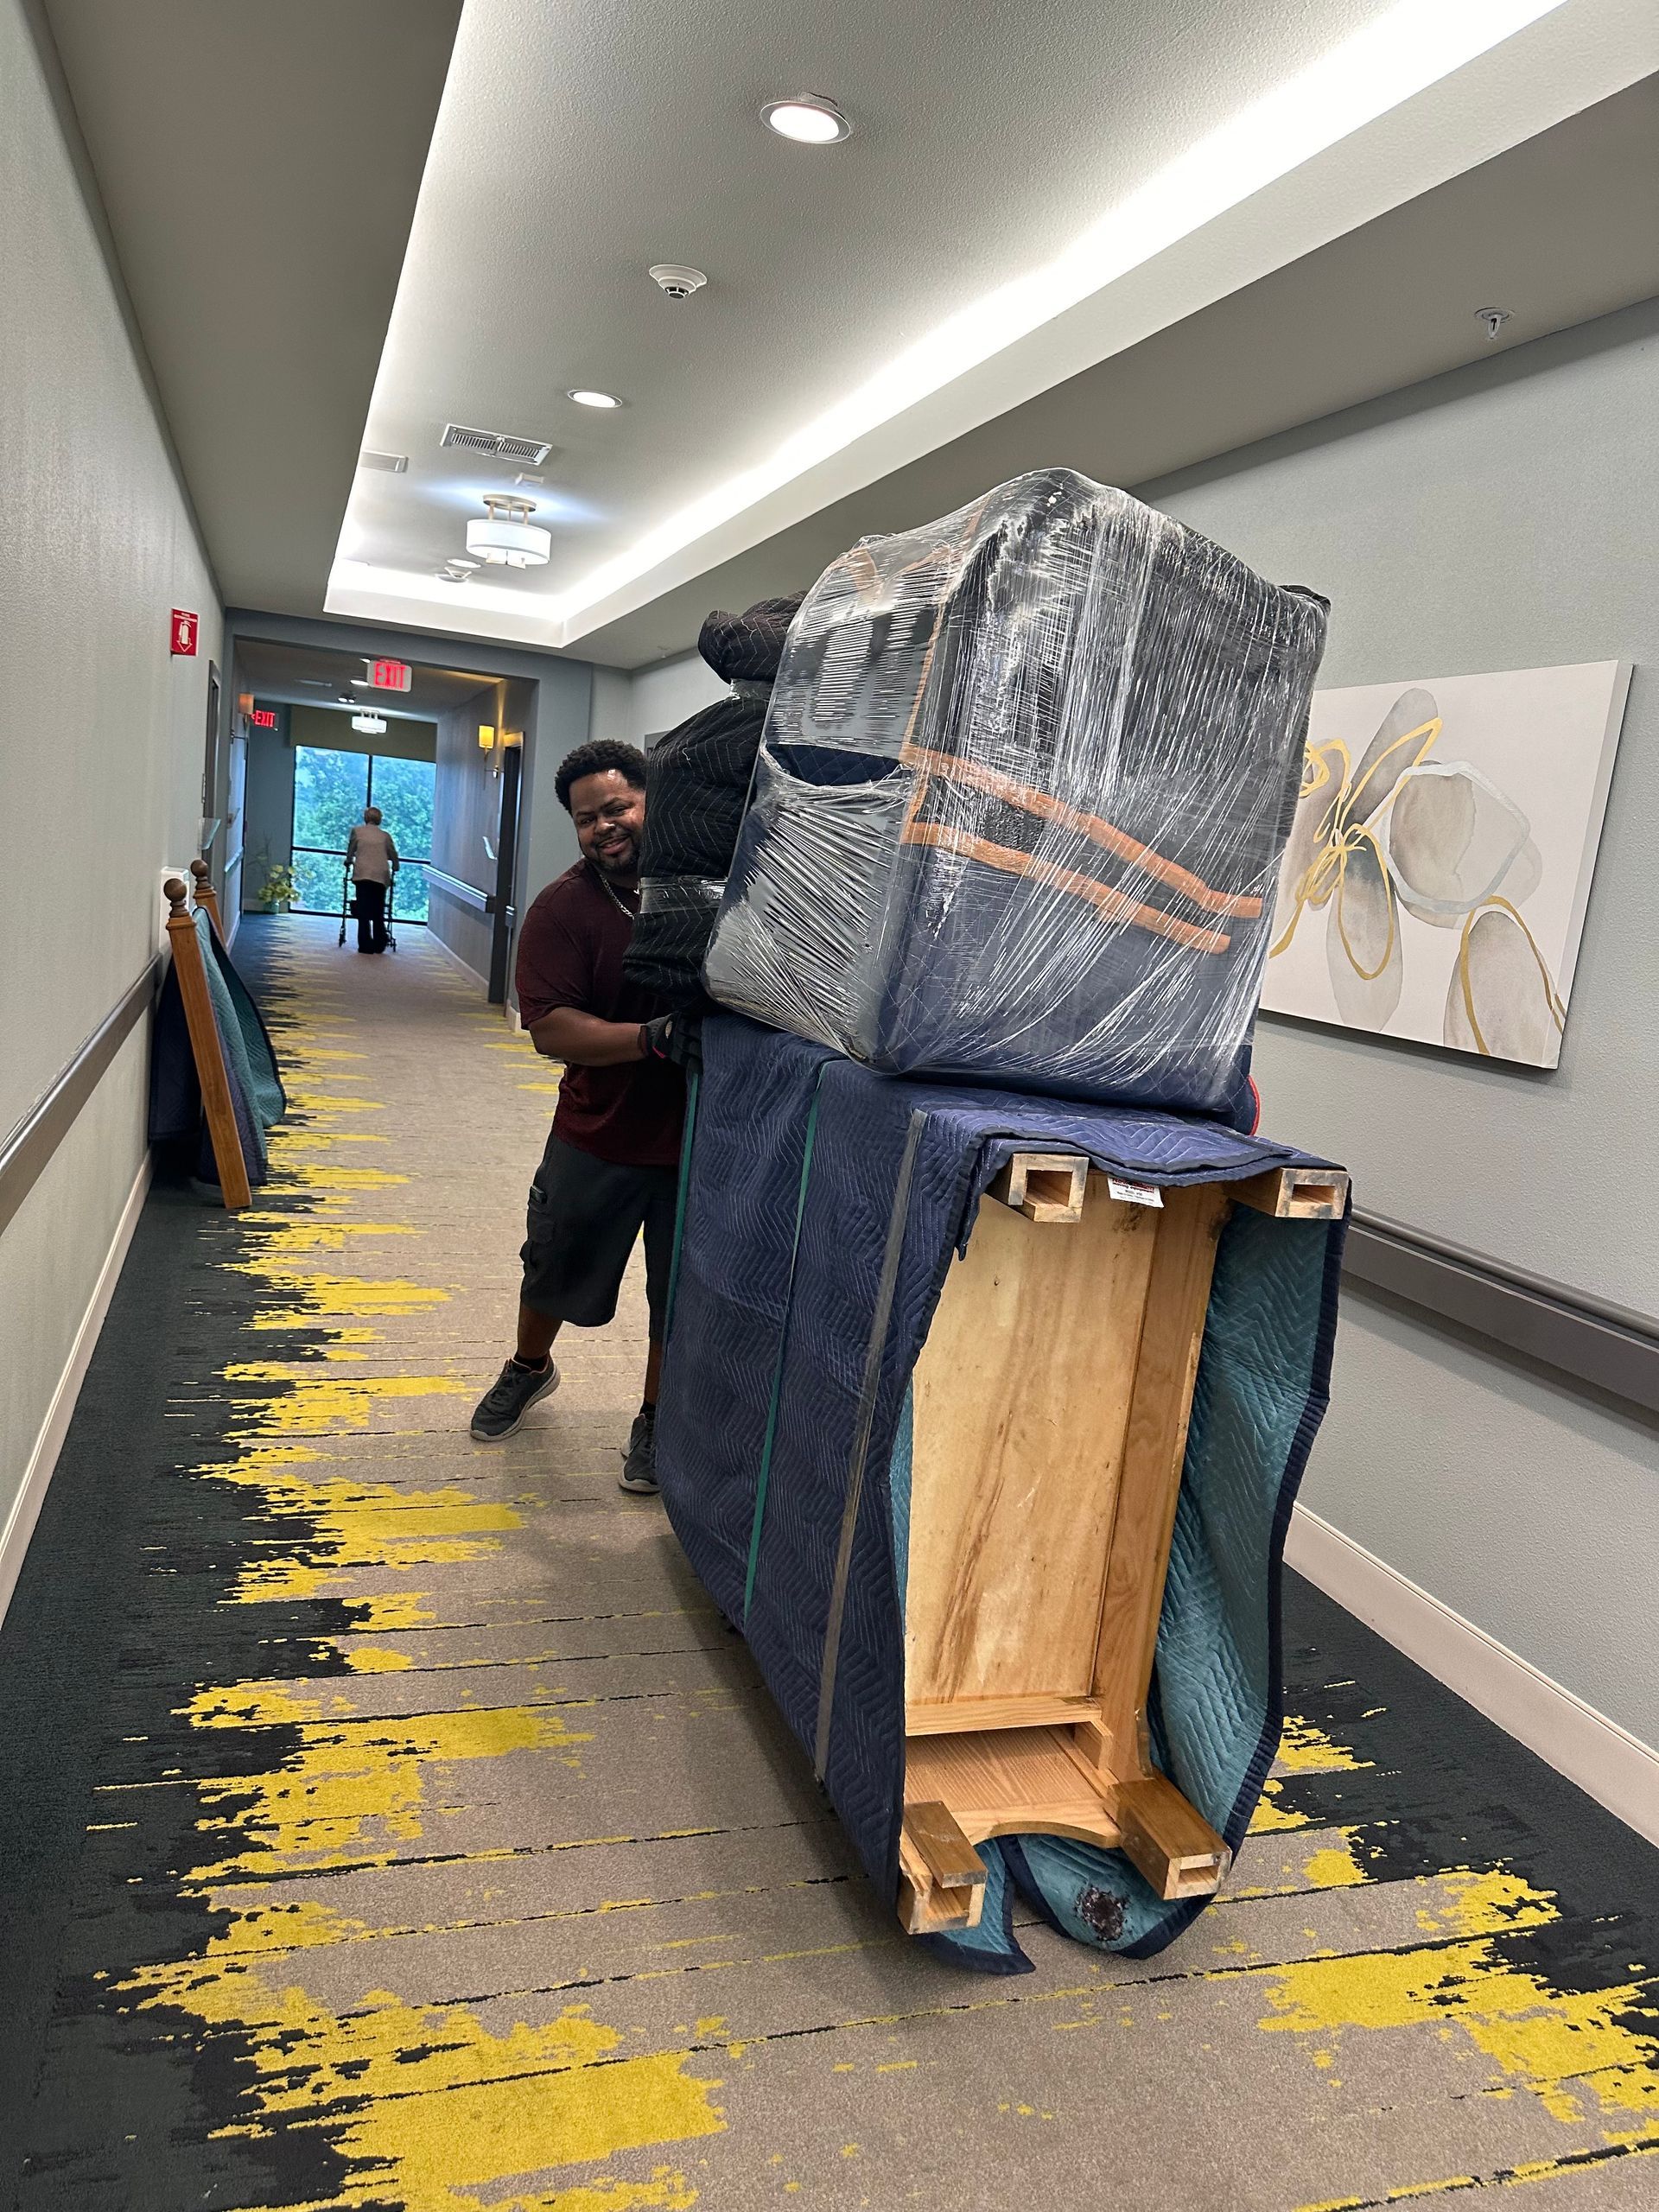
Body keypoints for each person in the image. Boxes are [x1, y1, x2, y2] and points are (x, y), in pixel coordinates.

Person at [468, 740, 684, 1494]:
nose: (604, 826)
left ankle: (658, 1417)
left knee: (680, 1295)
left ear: (652, 802)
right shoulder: (565, 908)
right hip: (599, 1129)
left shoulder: (705, 889)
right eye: (586, 818)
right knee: (552, 1263)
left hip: (702, 1145)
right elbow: (551, 1027)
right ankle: (529, 1367)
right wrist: (651, 1039)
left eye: (617, 807)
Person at [345, 806, 398, 953]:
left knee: (363, 910)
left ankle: (365, 945)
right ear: (379, 819)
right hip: (379, 875)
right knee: (378, 909)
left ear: (365, 818)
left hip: (362, 874)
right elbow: (393, 853)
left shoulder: (357, 831)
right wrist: (395, 865)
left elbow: (351, 849)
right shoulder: (385, 836)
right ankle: (379, 943)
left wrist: (348, 860)